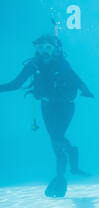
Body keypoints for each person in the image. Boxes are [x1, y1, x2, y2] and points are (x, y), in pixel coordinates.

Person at [0, 34, 93, 197]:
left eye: (48, 47)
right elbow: (15, 84)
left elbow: (76, 79)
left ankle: (72, 154)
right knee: (55, 141)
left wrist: (86, 91)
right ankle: (61, 176)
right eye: (40, 47)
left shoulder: (62, 64)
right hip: (47, 106)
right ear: (36, 49)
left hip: (66, 106)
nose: (44, 51)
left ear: (55, 49)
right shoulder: (33, 65)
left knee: (57, 137)